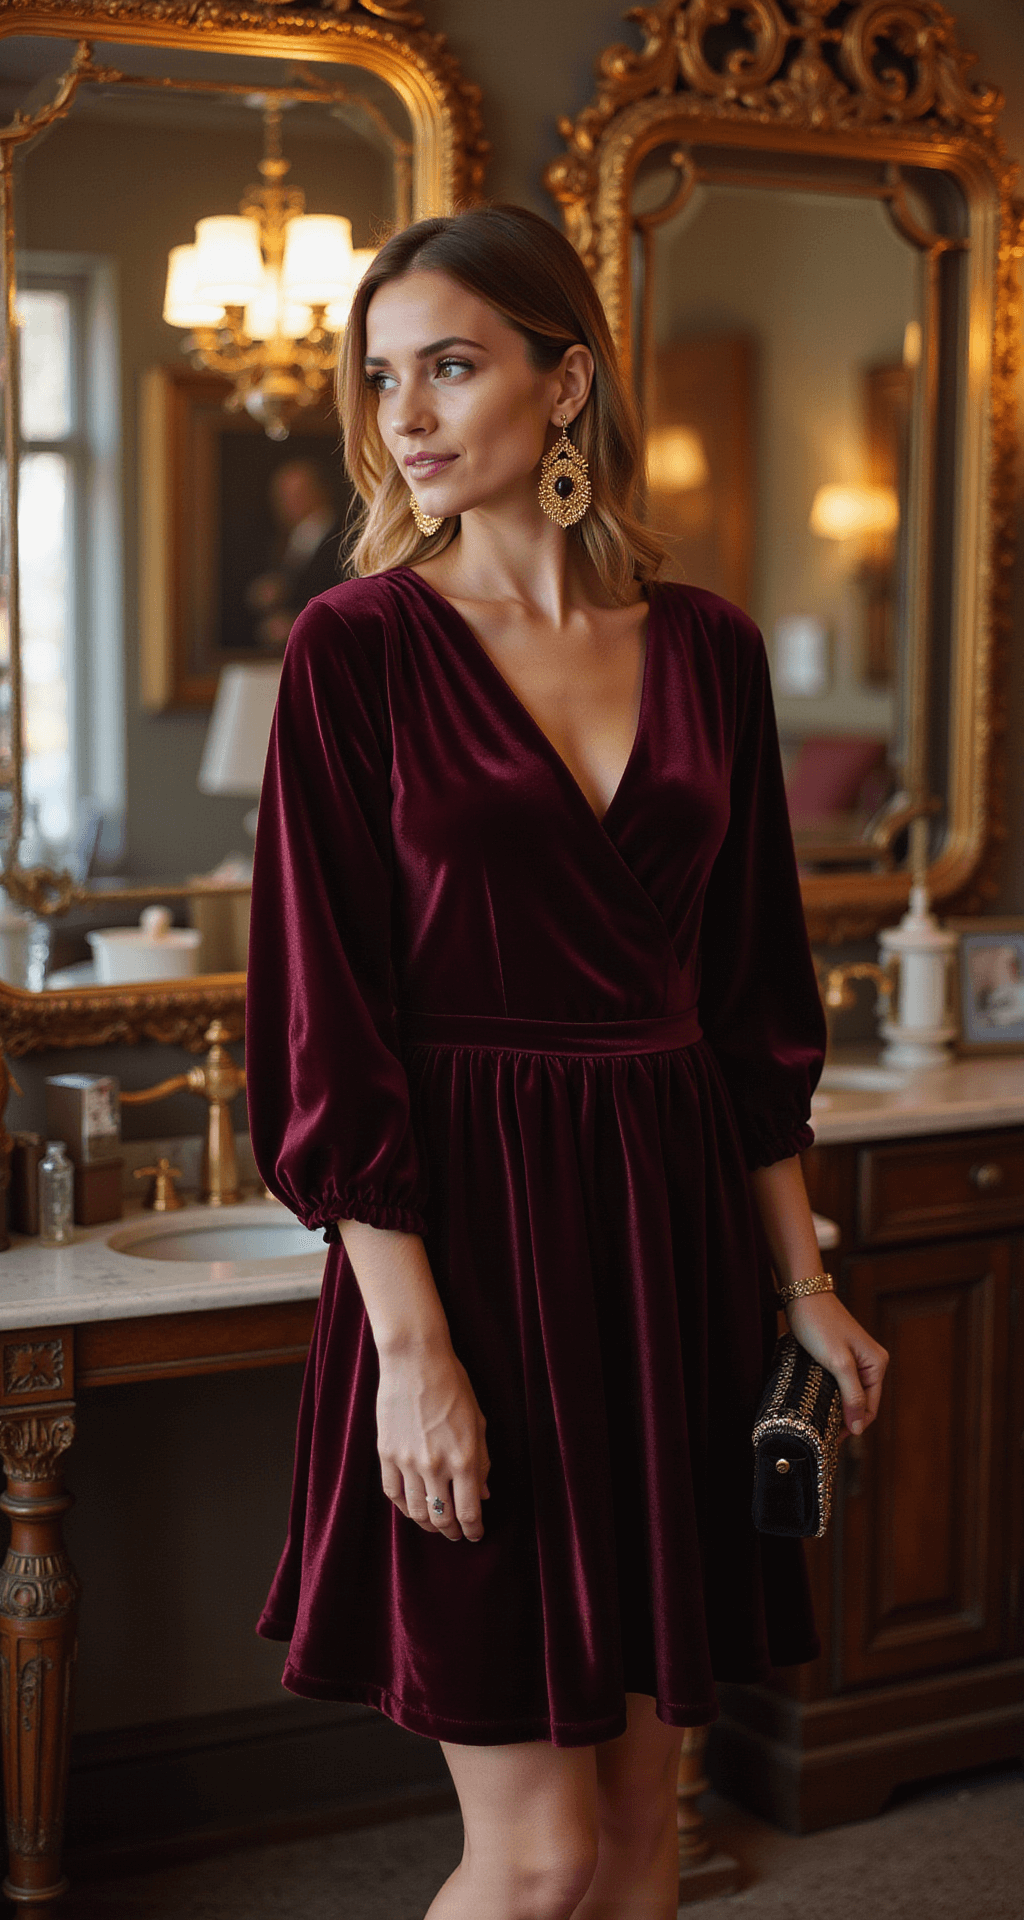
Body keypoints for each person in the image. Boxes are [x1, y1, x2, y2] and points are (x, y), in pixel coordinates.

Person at [245, 204, 888, 1920]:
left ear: (568, 378)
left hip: (667, 1254)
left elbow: (753, 1002)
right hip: (470, 1259)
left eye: (451, 365)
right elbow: (327, 1032)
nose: (410, 417)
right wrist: (412, 1354)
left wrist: (801, 1284)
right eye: (384, 380)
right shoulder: (356, 651)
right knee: (528, 1862)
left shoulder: (713, 649)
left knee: (636, 1836)